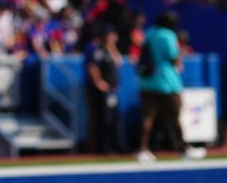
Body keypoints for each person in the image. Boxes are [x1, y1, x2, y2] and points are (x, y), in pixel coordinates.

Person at [135, 11, 205, 163]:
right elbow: (174, 57)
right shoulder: (169, 35)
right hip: (167, 82)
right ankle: (183, 148)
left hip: (147, 81)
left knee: (147, 118)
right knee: (175, 117)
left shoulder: (150, 32)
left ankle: (143, 149)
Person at [84, 24, 125, 154]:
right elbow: (92, 67)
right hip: (102, 90)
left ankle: (116, 146)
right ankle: (103, 148)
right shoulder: (97, 49)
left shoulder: (111, 49)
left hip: (113, 90)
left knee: (115, 119)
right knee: (104, 120)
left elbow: (119, 61)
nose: (113, 38)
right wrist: (98, 82)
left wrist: (113, 47)